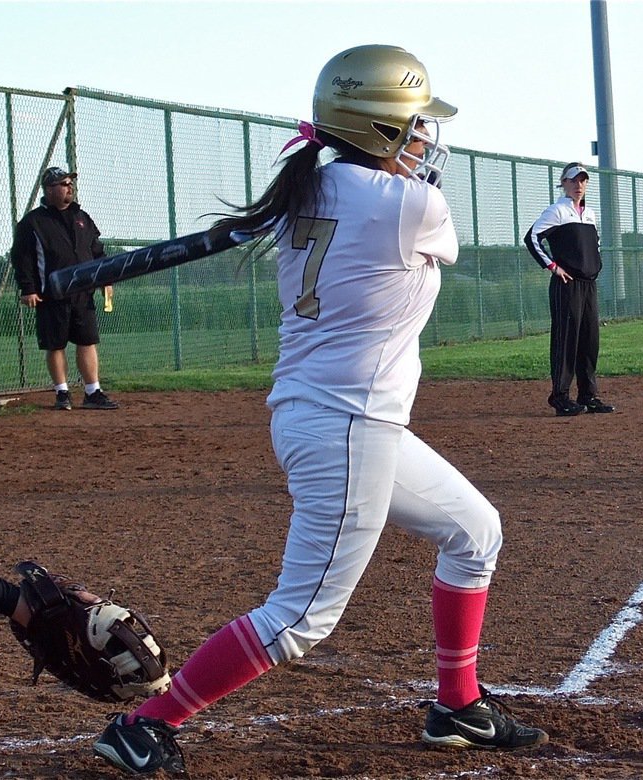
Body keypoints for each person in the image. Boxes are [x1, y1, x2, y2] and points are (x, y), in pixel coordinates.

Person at [90, 45, 548, 777]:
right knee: (301, 618)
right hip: (345, 424)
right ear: (375, 129)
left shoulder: (304, 191)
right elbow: (430, 238)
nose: (425, 142)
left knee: (474, 531)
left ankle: (456, 706)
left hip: (339, 417)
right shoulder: (414, 206)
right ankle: (146, 724)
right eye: (412, 128)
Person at [11, 166, 118, 410]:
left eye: (70, 183)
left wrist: (105, 279)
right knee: (55, 344)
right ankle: (62, 393)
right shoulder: (33, 222)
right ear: (49, 190)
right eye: (63, 184)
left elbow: (96, 251)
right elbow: (22, 259)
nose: (69, 187)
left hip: (83, 292)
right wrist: (28, 289)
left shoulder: (82, 217)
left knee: (87, 341)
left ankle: (93, 392)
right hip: (51, 295)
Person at [524, 162, 615, 417]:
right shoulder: (557, 212)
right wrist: (553, 266)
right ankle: (560, 396)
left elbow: (595, 244)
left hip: (588, 285)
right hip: (567, 284)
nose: (579, 186)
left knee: (589, 340)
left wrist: (596, 264)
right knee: (567, 339)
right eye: (574, 181)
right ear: (564, 183)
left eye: (583, 181)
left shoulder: (590, 214)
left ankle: (588, 394)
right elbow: (532, 238)